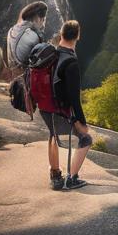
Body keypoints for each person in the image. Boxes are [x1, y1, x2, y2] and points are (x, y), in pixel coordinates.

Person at [41, 20, 93, 191]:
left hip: (44, 106)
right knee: (85, 139)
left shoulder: (51, 55)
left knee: (52, 135)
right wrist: (81, 122)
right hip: (59, 109)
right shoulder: (70, 62)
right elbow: (74, 97)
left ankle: (55, 176)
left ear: (61, 34)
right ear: (77, 36)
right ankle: (71, 178)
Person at [6, 0, 47, 71]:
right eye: (43, 20)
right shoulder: (33, 35)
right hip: (24, 75)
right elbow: (40, 63)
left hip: (12, 71)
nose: (43, 24)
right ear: (39, 18)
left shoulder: (12, 29)